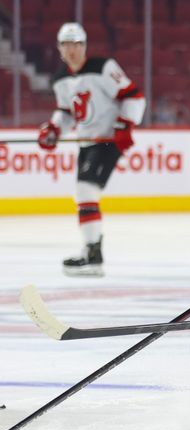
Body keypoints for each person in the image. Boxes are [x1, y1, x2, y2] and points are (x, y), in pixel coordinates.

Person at [38, 22, 146, 277]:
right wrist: (53, 129)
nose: (72, 49)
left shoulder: (103, 67)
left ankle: (94, 255)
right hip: (87, 142)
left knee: (85, 190)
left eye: (77, 44)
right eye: (66, 44)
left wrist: (125, 124)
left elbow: (133, 96)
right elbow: (66, 113)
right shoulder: (60, 79)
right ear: (59, 48)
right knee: (84, 195)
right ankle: (92, 253)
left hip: (108, 140)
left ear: (84, 46)